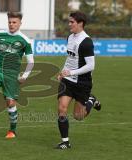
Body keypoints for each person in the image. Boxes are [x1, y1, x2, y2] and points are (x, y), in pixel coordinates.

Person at [55, 11, 101, 149]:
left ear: (80, 23)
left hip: (82, 82)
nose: (69, 24)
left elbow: (91, 65)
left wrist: (72, 72)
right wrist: (63, 72)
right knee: (61, 108)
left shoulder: (86, 42)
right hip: (68, 80)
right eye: (69, 22)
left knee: (78, 116)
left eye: (72, 22)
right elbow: (70, 58)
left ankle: (91, 100)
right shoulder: (70, 37)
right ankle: (65, 142)